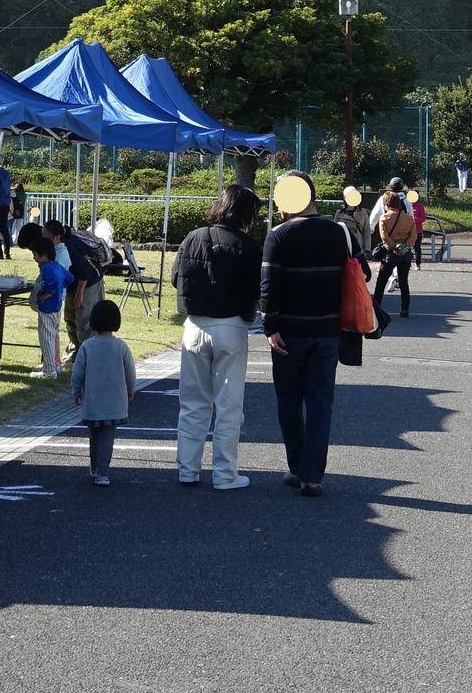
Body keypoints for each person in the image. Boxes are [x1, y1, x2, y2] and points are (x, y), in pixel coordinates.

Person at [260, 172, 354, 497]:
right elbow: (361, 273)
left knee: (289, 401)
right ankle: (312, 475)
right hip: (328, 329)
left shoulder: (278, 236)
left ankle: (297, 465)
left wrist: (269, 326)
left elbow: (268, 286)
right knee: (320, 402)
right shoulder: (339, 232)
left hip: (288, 331)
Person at [172, 184, 260, 490]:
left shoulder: (193, 237)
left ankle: (187, 470)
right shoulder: (248, 246)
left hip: (194, 326)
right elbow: (256, 289)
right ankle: (224, 474)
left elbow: (176, 277)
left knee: (192, 403)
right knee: (228, 406)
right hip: (231, 328)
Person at [70, 298, 138, 487]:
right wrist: (130, 389)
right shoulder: (121, 346)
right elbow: (130, 372)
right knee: (108, 437)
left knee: (94, 436)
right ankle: (103, 473)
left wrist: (76, 390)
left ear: (93, 321)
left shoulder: (87, 346)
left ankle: (94, 466)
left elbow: (78, 372)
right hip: (114, 402)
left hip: (92, 401)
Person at [45, 219, 104, 354]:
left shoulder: (68, 248)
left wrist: (79, 294)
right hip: (73, 285)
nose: (44, 240)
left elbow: (85, 270)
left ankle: (88, 354)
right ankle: (76, 350)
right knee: (70, 318)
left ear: (57, 237)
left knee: (84, 320)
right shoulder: (55, 248)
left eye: (46, 236)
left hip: (89, 282)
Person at [30, 239, 72, 377]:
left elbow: (54, 281)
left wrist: (49, 293)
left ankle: (49, 370)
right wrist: (58, 290)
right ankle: (54, 366)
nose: (34, 258)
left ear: (43, 255)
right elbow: (69, 278)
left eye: (35, 255)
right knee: (52, 335)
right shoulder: (57, 266)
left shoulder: (47, 268)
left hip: (47, 307)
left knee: (46, 338)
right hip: (56, 306)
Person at [372, 189, 415, 316]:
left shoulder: (384, 218)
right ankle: (405, 308)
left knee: (381, 282)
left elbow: (384, 237)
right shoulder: (408, 219)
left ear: (386, 204)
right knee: (403, 282)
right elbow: (413, 236)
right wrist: (405, 246)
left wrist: (394, 247)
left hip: (390, 254)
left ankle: (376, 308)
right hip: (405, 254)